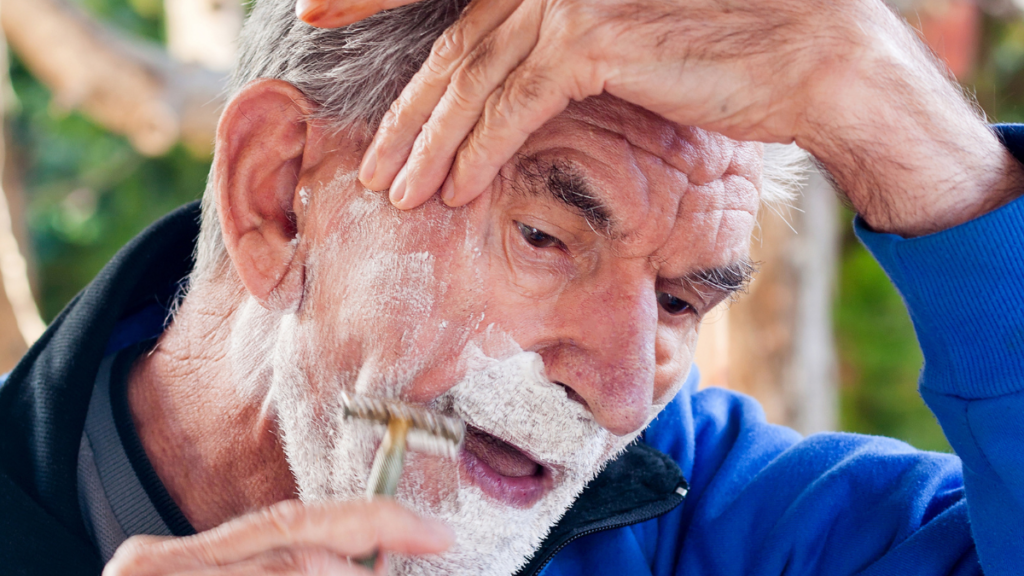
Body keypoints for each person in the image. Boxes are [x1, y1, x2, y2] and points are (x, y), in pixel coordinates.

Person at [1, 0, 1021, 574]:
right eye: (544, 235)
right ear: (275, 197)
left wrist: (892, 109)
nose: (622, 395)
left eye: (678, 303)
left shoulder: (726, 520)